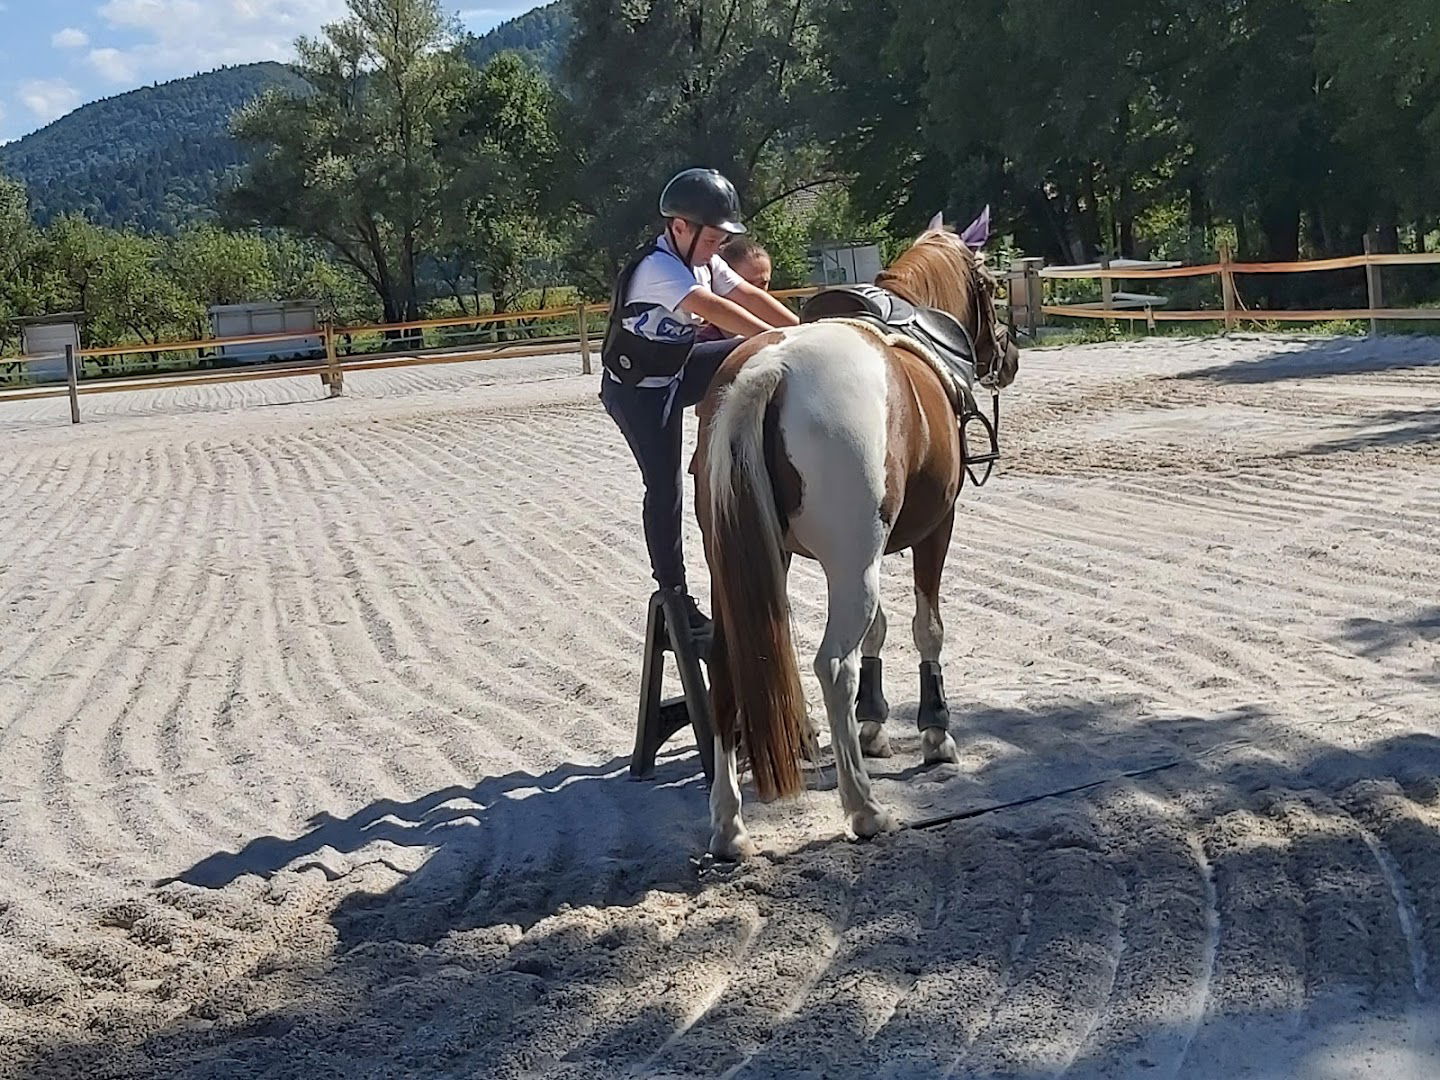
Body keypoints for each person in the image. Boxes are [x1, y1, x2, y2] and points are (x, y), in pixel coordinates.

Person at [599, 168, 799, 645]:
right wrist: (780, 338)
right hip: (640, 393)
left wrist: (805, 330)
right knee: (664, 487)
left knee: (756, 356)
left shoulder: (703, 259)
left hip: (678, 368)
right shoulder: (659, 268)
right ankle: (674, 596)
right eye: (712, 238)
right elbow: (719, 311)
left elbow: (745, 293)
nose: (717, 248)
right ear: (680, 228)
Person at [696, 236, 776, 341]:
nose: (755, 291)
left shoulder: (776, 321)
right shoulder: (703, 339)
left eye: (763, 283)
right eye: (747, 283)